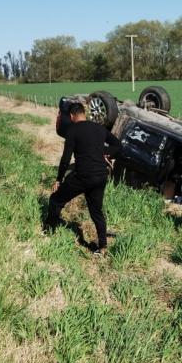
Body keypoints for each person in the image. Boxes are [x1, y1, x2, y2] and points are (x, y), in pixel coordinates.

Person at [44, 101, 121, 254]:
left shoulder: (72, 131)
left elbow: (66, 159)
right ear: (84, 114)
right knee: (96, 212)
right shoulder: (99, 128)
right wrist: (107, 153)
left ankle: (49, 232)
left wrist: (59, 179)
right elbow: (118, 145)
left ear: (72, 116)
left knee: (56, 200)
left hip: (83, 176)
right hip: (101, 176)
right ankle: (103, 247)